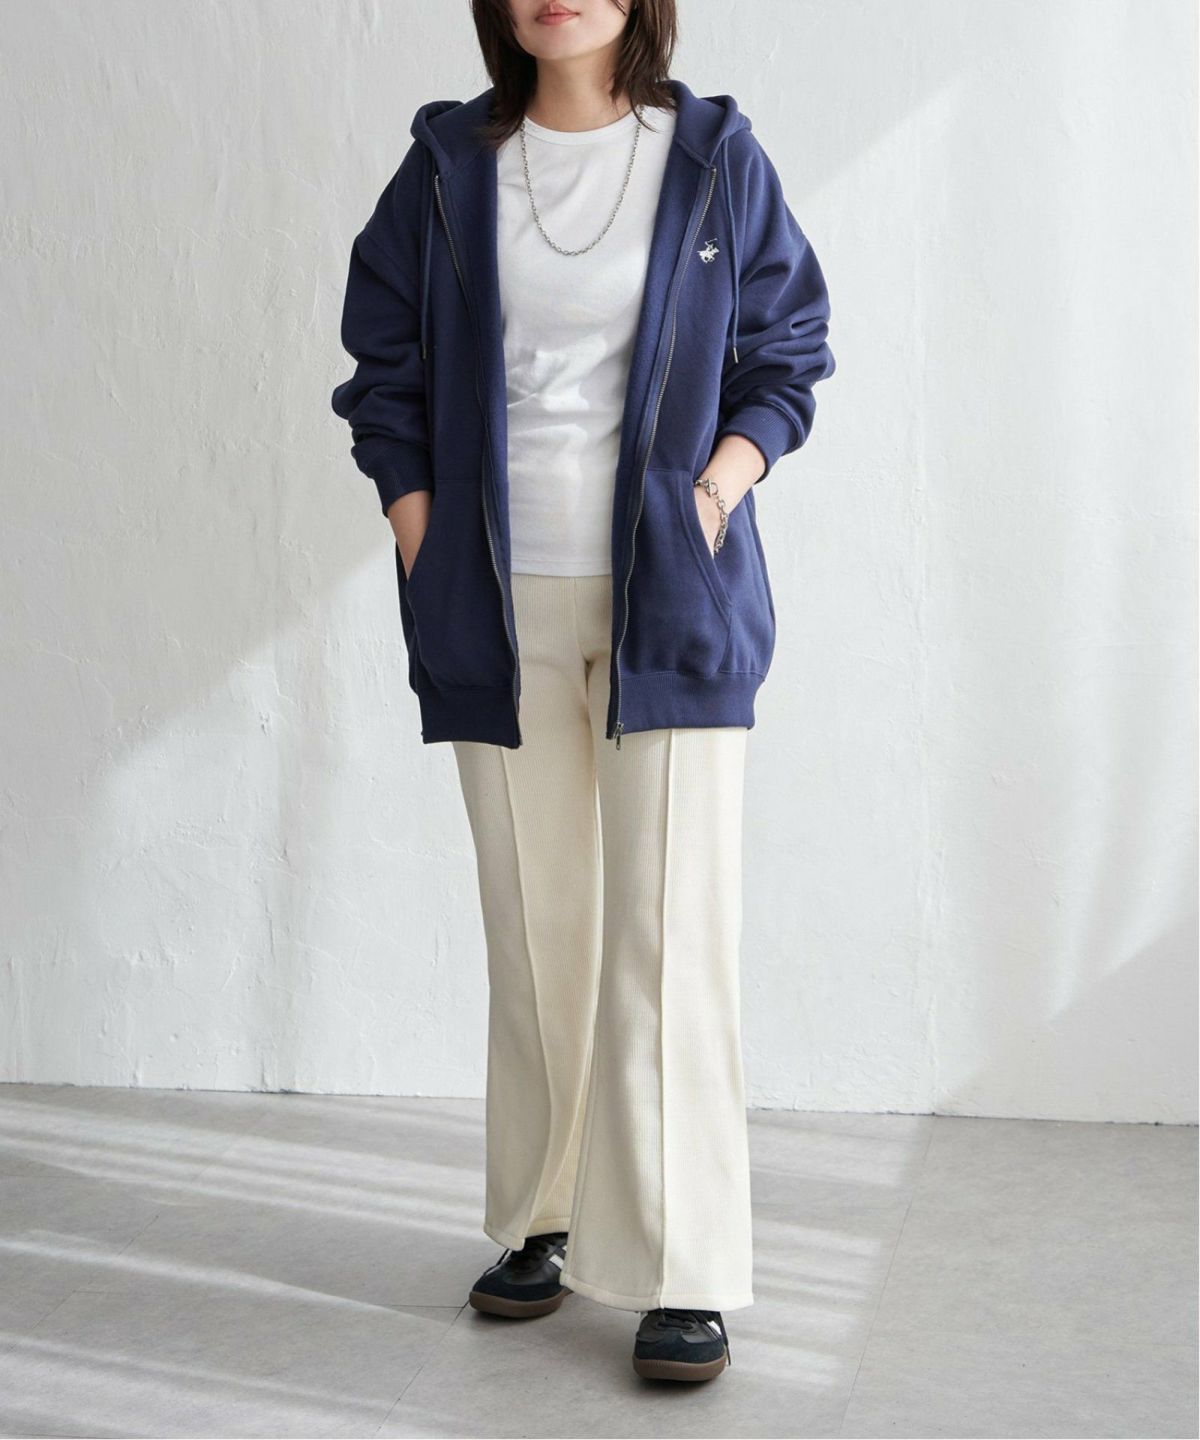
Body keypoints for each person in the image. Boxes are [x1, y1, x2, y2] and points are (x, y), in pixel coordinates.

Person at [330, 0, 835, 1384]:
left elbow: (788, 349)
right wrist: (420, 529)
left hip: (672, 599)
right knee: (535, 925)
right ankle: (542, 1215)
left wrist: (712, 496)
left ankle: (684, 1265)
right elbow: (384, 365)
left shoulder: (713, 158)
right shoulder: (448, 166)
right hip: (495, 607)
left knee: (669, 938)